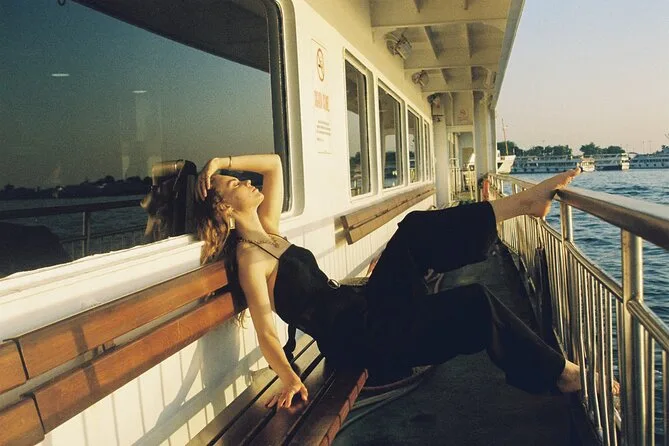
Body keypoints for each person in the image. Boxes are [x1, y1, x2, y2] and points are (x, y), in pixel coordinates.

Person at [194, 154, 591, 410]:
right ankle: (561, 373)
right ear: (225, 208)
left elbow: (275, 164)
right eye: (234, 184)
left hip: (366, 306)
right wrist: (289, 378)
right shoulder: (250, 258)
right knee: (475, 300)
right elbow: (265, 329)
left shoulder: (269, 231)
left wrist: (220, 163)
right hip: (360, 336)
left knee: (414, 229)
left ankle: (522, 204)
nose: (246, 182)